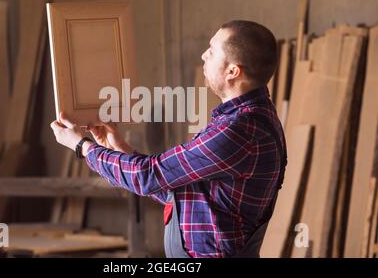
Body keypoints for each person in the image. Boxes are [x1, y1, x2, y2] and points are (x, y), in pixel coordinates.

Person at [51, 20, 287, 258]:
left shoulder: (240, 130)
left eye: (212, 51)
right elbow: (181, 192)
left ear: (233, 71)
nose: (204, 55)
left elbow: (150, 175)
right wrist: (118, 148)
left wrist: (82, 146)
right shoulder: (246, 118)